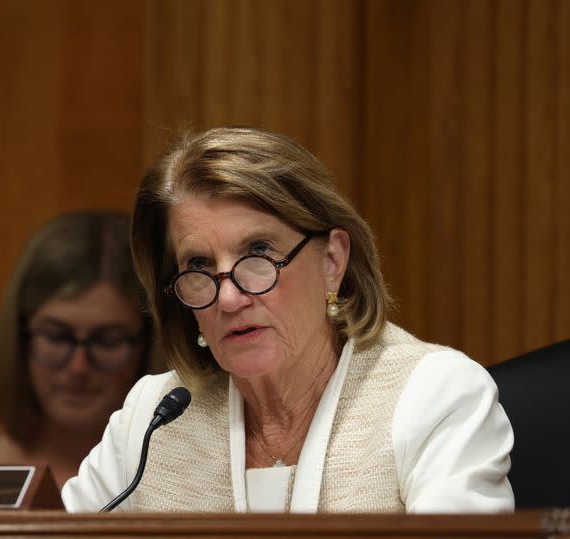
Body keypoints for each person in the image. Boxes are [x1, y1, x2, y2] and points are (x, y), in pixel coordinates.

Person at [61, 128, 514, 513]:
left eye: (258, 253)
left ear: (332, 260)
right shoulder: (151, 419)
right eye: (198, 266)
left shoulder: (434, 396)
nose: (231, 297)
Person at [0, 211, 152, 488]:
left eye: (108, 341)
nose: (78, 367)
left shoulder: (186, 481)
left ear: (148, 345)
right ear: (19, 339)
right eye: (57, 337)